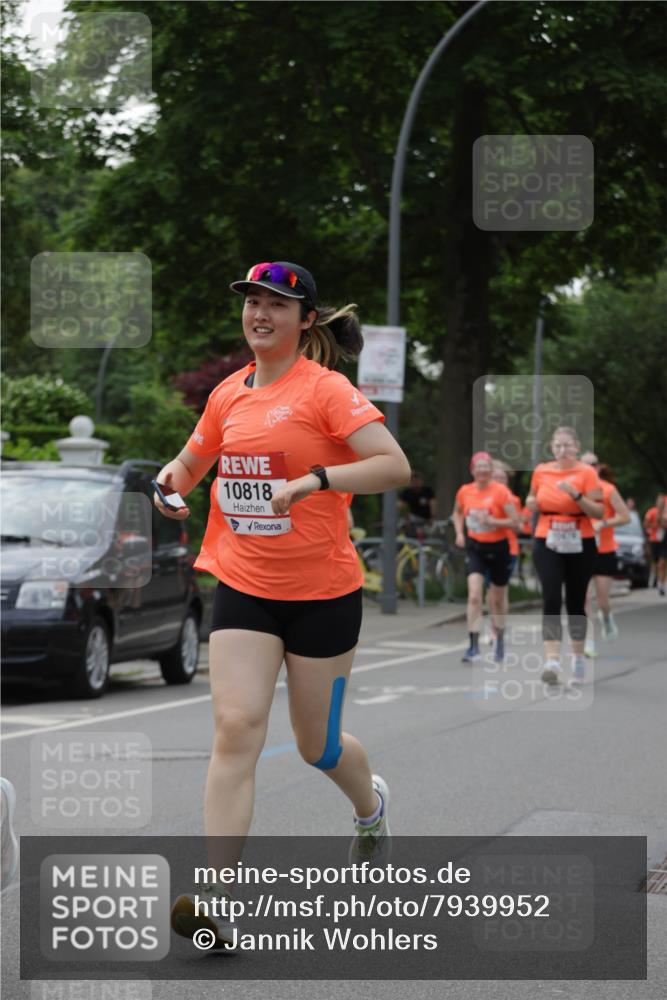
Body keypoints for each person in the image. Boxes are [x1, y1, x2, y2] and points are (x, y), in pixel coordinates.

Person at [154, 261, 411, 947]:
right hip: (243, 584)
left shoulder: (326, 391)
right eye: (252, 303)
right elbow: (186, 466)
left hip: (323, 594)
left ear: (304, 320)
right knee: (236, 728)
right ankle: (219, 899)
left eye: (277, 304)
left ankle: (369, 806)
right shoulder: (226, 395)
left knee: (315, 745)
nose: (259, 314)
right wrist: (167, 486)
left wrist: (314, 480)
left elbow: (393, 465)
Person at [526, 427, 603, 685]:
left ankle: (578, 657)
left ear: (577, 446)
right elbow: (532, 496)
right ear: (551, 448)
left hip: (580, 538)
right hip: (547, 537)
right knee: (550, 595)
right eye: (558, 446)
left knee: (575, 601)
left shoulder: (587, 473)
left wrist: (576, 495)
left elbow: (599, 512)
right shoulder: (541, 471)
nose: (562, 451)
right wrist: (530, 503)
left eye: (567, 446)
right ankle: (552, 660)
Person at [453, 452, 518, 665]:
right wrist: (460, 533)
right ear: (472, 470)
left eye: (486, 466)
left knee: (497, 599)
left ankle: (499, 640)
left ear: (491, 470)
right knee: (474, 596)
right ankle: (473, 645)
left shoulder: (501, 492)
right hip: (476, 548)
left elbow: (515, 522)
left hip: (499, 548)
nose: (482, 470)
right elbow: (457, 513)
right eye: (478, 466)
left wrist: (492, 521)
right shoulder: (465, 491)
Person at [584, 464, 631, 656]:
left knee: (602, 599)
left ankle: (606, 617)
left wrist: (604, 523)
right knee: (584, 598)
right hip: (582, 551)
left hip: (605, 550)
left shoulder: (609, 489)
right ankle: (589, 642)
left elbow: (625, 516)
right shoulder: (577, 490)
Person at [644, 494, 666, 595]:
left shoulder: (665, 513)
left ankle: (661, 585)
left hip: (664, 540)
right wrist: (654, 525)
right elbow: (646, 524)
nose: (661, 504)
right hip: (654, 540)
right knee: (655, 563)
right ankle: (656, 580)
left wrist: (661, 520)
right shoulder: (651, 511)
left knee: (662, 563)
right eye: (659, 502)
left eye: (663, 502)